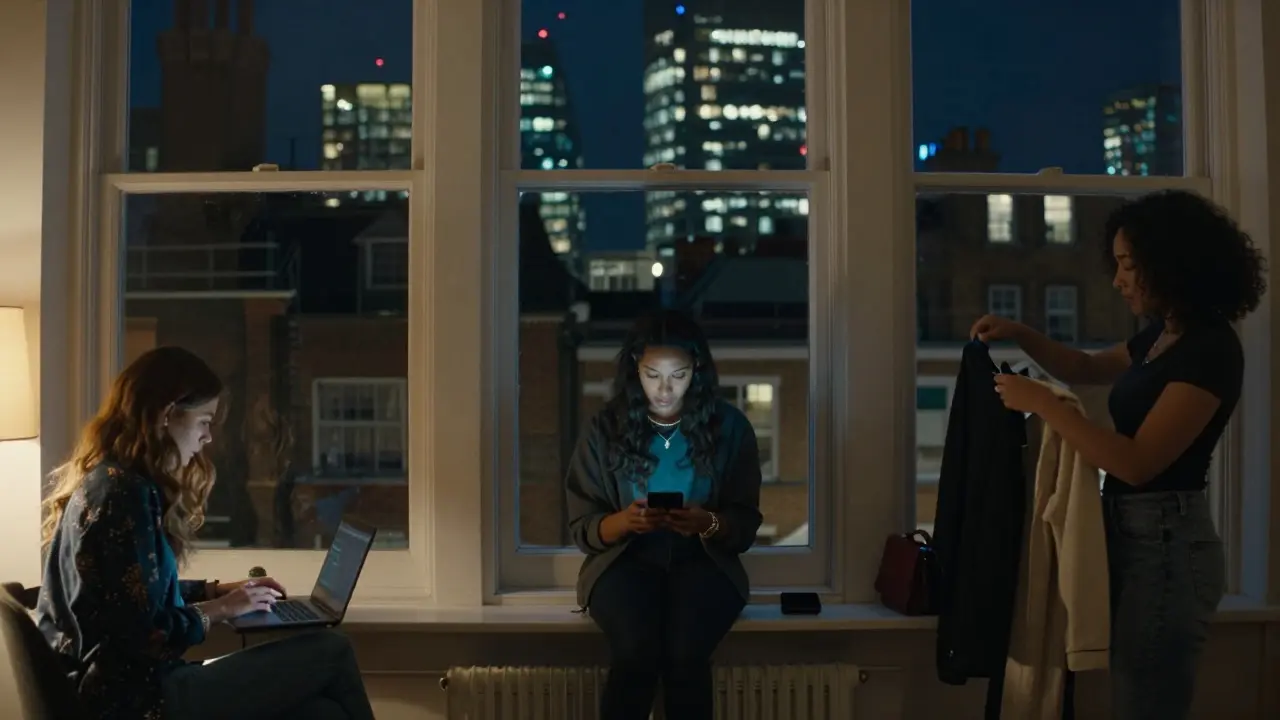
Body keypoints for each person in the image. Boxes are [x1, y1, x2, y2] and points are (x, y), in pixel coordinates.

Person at [970, 190, 1266, 720]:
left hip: (1167, 549)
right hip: (1138, 537)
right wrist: (1020, 334)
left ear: (1170, 264)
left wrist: (1044, 405)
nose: (1118, 280)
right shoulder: (1164, 336)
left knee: (1145, 705)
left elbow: (1136, 463)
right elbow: (1085, 368)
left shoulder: (1210, 350)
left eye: (1129, 265)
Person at [36, 346, 376, 720]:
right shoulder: (126, 494)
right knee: (331, 650)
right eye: (204, 421)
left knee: (322, 713)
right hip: (135, 701)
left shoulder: (106, 481)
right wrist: (221, 609)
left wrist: (214, 591)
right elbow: (147, 634)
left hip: (111, 694)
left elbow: (131, 597)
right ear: (167, 414)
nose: (208, 437)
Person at [565, 309, 763, 720]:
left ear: (697, 370)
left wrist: (707, 523)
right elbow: (582, 525)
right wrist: (624, 522)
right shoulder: (604, 429)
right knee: (636, 652)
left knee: (686, 655)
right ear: (634, 368)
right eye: (652, 374)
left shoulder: (730, 428)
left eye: (679, 375)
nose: (665, 389)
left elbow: (744, 522)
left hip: (704, 561)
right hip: (624, 561)